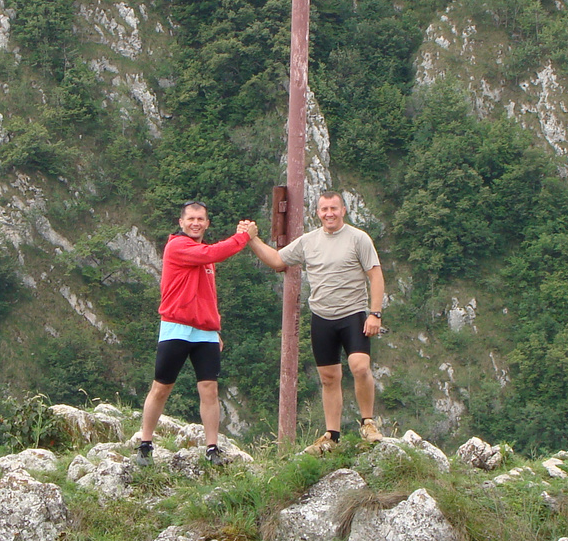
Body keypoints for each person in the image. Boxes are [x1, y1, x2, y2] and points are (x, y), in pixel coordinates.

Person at [246, 191, 385, 454]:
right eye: (324, 209)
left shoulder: (358, 239)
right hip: (322, 317)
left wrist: (375, 313)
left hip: (353, 313)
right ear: (318, 213)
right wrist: (252, 240)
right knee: (328, 377)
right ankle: (332, 435)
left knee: (359, 366)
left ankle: (368, 423)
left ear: (343, 210)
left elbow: (375, 276)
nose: (329, 213)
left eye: (334, 208)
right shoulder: (308, 242)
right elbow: (277, 260)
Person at [135, 202, 255, 466]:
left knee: (209, 389)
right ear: (181, 222)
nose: (195, 223)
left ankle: (212, 448)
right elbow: (217, 251)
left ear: (207, 223)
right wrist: (244, 236)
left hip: (205, 331)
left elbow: (208, 294)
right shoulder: (178, 246)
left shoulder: (204, 256)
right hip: (176, 325)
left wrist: (215, 327)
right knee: (162, 387)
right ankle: (145, 444)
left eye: (200, 219)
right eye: (191, 218)